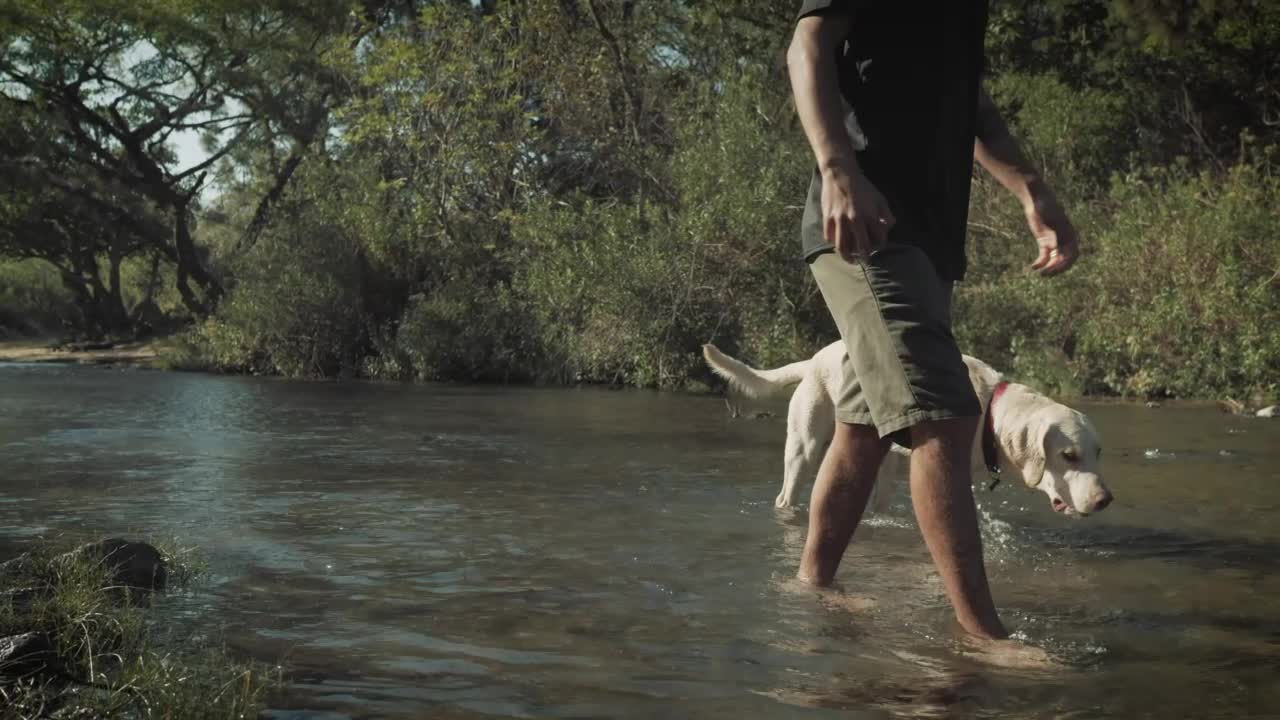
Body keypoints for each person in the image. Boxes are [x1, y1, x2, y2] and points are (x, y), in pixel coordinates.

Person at [785, 2, 1080, 642]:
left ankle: (810, 589)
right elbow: (807, 45)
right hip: (862, 221)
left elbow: (971, 106)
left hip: (928, 236)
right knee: (943, 412)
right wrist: (838, 171)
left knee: (864, 424)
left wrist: (1033, 190)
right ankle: (983, 640)